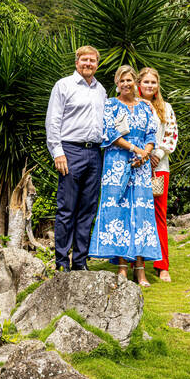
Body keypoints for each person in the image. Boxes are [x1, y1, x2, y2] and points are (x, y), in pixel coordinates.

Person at [88, 65, 161, 287]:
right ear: (116, 83)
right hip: (116, 165)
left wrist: (145, 153)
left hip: (140, 167)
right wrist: (135, 149)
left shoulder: (145, 107)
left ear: (135, 82)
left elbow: (151, 133)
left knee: (140, 214)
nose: (126, 84)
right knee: (118, 213)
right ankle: (121, 267)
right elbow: (110, 133)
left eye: (129, 80)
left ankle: (140, 270)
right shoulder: (110, 105)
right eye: (122, 80)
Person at [45, 45, 107, 271]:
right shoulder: (64, 86)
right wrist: (57, 152)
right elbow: (53, 121)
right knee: (67, 209)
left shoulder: (101, 90)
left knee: (87, 210)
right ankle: (61, 262)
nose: (88, 64)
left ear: (97, 64)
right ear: (77, 62)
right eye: (84, 60)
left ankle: (80, 262)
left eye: (92, 60)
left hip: (95, 153)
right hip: (70, 151)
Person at [138, 67, 178, 282]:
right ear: (139, 84)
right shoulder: (133, 105)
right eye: (146, 82)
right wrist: (143, 154)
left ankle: (162, 265)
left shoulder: (165, 107)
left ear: (158, 86)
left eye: (153, 82)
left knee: (158, 215)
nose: (150, 86)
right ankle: (137, 263)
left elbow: (172, 135)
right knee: (138, 215)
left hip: (159, 168)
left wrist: (158, 153)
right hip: (137, 167)